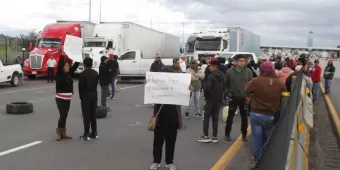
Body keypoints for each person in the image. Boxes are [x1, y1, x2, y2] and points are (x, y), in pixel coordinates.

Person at [245, 61, 287, 166]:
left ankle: (256, 161)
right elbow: (285, 94)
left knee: (256, 138)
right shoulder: (280, 83)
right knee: (266, 137)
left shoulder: (256, 80)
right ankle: (264, 159)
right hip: (270, 115)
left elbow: (247, 89)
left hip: (256, 113)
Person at [149, 58, 184, 170]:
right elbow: (149, 90)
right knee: (158, 142)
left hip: (173, 120)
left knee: (171, 142)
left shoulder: (178, 90)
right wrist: (147, 84)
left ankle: (169, 162)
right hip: (159, 119)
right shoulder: (158, 89)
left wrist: (189, 89)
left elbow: (186, 94)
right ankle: (156, 161)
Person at [224, 55, 253, 141]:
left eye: (243, 61)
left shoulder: (248, 72)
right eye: (240, 61)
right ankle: (227, 134)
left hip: (244, 97)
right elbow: (225, 83)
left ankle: (244, 134)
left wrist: (249, 96)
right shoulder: (229, 71)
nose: (242, 62)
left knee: (244, 117)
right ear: (236, 62)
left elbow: (251, 85)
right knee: (230, 116)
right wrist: (227, 92)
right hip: (233, 97)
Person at [197, 60, 224, 143]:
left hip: (210, 99)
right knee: (215, 118)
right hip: (219, 99)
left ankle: (206, 136)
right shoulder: (222, 75)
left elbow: (207, 87)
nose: (210, 67)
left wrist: (205, 95)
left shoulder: (211, 76)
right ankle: (214, 136)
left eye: (211, 66)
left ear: (215, 66)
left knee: (206, 117)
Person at [55, 52, 80, 141]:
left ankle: (63, 133)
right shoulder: (59, 75)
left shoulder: (69, 74)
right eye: (66, 66)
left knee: (65, 116)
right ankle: (58, 132)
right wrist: (62, 54)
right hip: (60, 98)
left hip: (68, 98)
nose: (67, 67)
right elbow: (60, 65)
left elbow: (76, 64)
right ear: (62, 67)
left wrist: (77, 54)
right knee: (62, 115)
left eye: (68, 66)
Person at [78, 57, 99, 141]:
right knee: (93, 114)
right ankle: (94, 132)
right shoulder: (95, 73)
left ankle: (86, 133)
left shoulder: (83, 74)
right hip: (94, 94)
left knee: (86, 115)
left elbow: (81, 88)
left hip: (86, 95)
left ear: (84, 64)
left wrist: (81, 97)